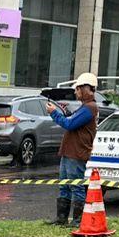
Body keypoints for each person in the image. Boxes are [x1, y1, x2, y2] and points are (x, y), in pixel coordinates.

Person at [47, 73, 100, 227]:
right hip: (69, 151)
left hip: (76, 153)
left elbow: (70, 125)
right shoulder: (85, 108)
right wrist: (65, 114)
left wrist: (54, 113)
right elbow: (72, 122)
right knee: (64, 184)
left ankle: (77, 220)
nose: (75, 92)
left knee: (75, 185)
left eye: (77, 89)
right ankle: (62, 219)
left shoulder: (89, 107)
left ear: (86, 89)